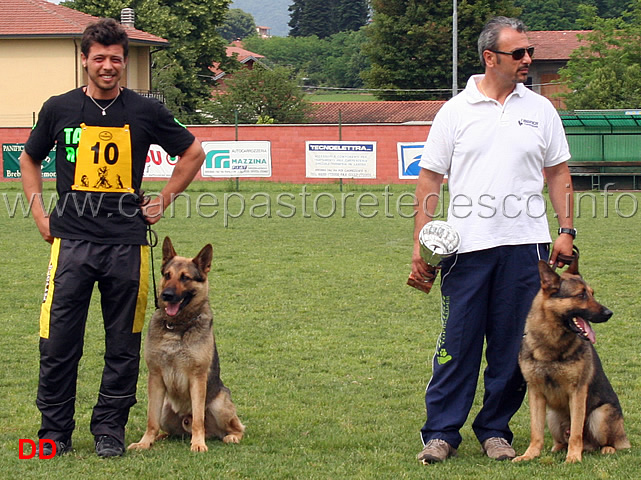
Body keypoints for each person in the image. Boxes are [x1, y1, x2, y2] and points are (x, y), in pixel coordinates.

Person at [20, 18, 205, 458]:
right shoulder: (58, 107)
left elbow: (193, 151)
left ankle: (109, 430)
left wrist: (162, 199)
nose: (108, 66)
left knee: (123, 341)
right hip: (72, 242)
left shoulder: (144, 111)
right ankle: (53, 434)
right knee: (60, 340)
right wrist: (39, 215)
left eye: (115, 59)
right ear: (84, 60)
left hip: (126, 243)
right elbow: (29, 160)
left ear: (124, 63)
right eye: (99, 58)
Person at [412, 17, 575, 464]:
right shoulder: (455, 111)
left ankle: (495, 430)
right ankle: (441, 433)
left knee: (511, 347)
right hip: (465, 249)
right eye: (518, 53)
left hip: (527, 248)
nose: (528, 60)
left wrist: (565, 231)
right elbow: (429, 181)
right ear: (490, 57)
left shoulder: (541, 109)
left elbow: (558, 173)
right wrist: (419, 245)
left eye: (530, 52)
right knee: (457, 343)